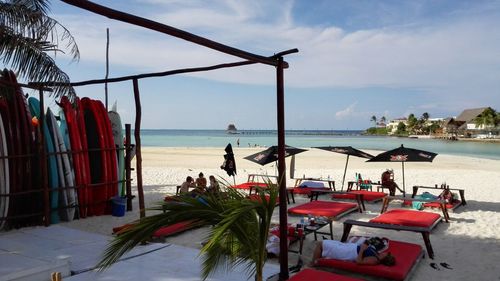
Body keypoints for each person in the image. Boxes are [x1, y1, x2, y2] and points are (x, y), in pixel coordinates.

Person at [311, 238, 395, 266]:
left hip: (348, 252)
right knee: (326, 243)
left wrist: (362, 249)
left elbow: (359, 261)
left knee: (321, 244)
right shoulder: (377, 254)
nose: (386, 253)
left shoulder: (375, 260)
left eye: (387, 255)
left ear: (384, 259)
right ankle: (318, 260)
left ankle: (314, 263)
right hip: (349, 247)